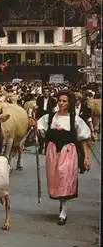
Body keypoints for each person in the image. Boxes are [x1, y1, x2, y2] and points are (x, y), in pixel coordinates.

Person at [34, 90, 91, 225]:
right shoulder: (50, 117)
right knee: (56, 178)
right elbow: (41, 132)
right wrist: (34, 126)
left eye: (64, 101)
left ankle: (63, 212)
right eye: (60, 100)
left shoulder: (74, 119)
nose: (61, 103)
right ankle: (62, 203)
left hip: (68, 151)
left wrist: (86, 157)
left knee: (65, 177)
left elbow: (83, 138)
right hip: (53, 151)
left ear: (69, 102)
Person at [35, 87, 57, 154]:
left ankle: (46, 149)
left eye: (47, 91)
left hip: (49, 117)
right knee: (40, 132)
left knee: (48, 133)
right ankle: (41, 146)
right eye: (44, 91)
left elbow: (54, 110)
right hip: (41, 116)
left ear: (49, 92)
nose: (46, 93)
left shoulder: (53, 100)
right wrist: (35, 117)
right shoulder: (39, 99)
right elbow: (37, 108)